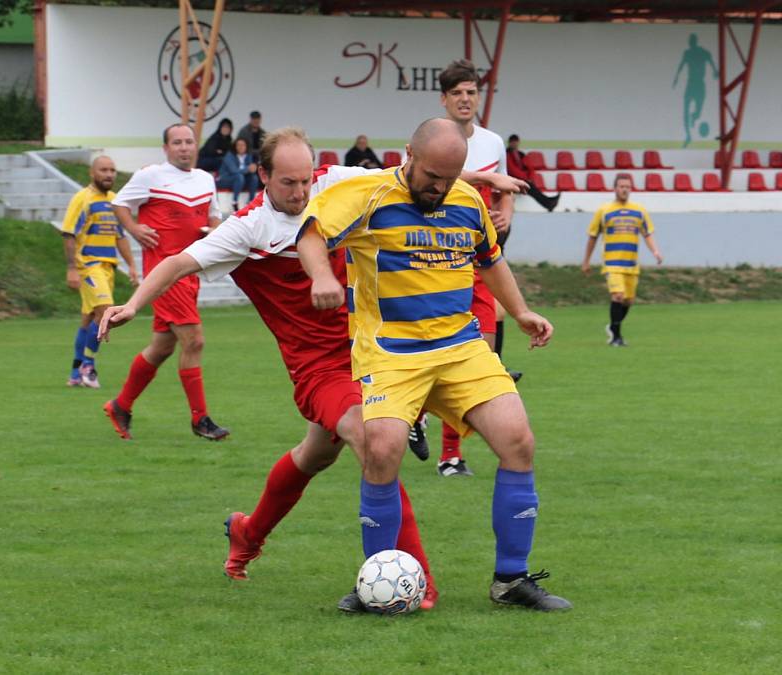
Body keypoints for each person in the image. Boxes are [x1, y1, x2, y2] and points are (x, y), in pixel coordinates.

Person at [98, 127, 439, 610]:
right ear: (262, 175)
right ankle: (418, 580)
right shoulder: (247, 228)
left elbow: (411, 174)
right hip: (318, 367)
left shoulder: (332, 182)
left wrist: (474, 177)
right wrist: (132, 306)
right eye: (288, 183)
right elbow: (175, 264)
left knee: (317, 454)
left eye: (305, 180)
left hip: (374, 350)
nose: (301, 192)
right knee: (373, 442)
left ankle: (247, 532)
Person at [297, 117, 571, 611]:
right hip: (392, 352)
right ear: (408, 154)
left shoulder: (467, 202)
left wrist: (522, 310)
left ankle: (511, 581)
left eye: (450, 178)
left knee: (518, 439)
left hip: (460, 348)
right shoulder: (368, 195)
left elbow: (490, 261)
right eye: (431, 177)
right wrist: (321, 275)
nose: (440, 188)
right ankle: (375, 583)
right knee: (382, 450)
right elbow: (312, 235)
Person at [431, 58, 527, 477]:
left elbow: (506, 190)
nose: (466, 99)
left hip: (478, 257)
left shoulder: (492, 142)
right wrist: (490, 184)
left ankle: (451, 455)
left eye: (471, 92)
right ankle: (413, 414)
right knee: (434, 353)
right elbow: (428, 178)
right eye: (458, 93)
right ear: (444, 99)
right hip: (434, 259)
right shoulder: (429, 138)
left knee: (483, 354)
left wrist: (505, 212)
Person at [104, 123, 229, 441]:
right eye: (177, 142)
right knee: (195, 341)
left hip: (190, 273)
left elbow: (213, 215)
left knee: (161, 347)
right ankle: (200, 419)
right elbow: (120, 203)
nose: (184, 147)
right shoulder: (151, 176)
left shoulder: (204, 179)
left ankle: (121, 405)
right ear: (166, 148)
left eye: (189, 142)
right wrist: (133, 228)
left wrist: (214, 230)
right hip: (163, 274)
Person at [61, 155, 139, 388]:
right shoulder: (82, 199)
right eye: (103, 170)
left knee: (88, 318)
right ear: (92, 173)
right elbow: (68, 233)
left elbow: (120, 236)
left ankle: (75, 373)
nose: (109, 174)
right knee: (105, 311)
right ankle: (88, 365)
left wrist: (132, 265)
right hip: (89, 266)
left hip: (108, 268)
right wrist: (72, 268)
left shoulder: (116, 201)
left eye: (112, 170)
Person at [582, 174, 663, 346]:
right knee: (617, 296)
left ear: (631, 189)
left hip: (631, 264)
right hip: (612, 263)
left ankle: (613, 327)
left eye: (627, 186)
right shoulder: (604, 211)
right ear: (615, 188)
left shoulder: (639, 211)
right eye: (621, 186)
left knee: (628, 301)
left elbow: (647, 233)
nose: (624, 189)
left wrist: (655, 251)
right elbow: (593, 237)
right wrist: (586, 261)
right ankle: (616, 337)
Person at [673, 34, 718, 147]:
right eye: (690, 41)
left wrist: (715, 71)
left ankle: (694, 117)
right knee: (685, 109)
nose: (690, 43)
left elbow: (711, 61)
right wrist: (676, 78)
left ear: (695, 41)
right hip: (691, 83)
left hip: (699, 84)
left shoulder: (703, 52)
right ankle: (688, 135)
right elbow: (681, 65)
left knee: (698, 111)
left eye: (692, 41)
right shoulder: (687, 53)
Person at [506, 134, 560, 212]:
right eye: (513, 142)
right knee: (531, 188)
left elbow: (530, 168)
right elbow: (512, 170)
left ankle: (549, 202)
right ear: (510, 143)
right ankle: (548, 202)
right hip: (513, 181)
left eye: (516, 142)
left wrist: (530, 178)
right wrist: (526, 178)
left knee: (531, 187)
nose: (514, 144)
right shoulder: (507, 154)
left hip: (523, 180)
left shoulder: (521, 154)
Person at [217, 137, 259, 211]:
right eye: (238, 145)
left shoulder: (248, 155)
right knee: (239, 176)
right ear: (235, 146)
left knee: (254, 178)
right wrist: (248, 168)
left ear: (246, 146)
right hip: (225, 180)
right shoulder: (229, 156)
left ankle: (251, 201)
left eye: (243, 145)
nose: (241, 147)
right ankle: (235, 202)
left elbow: (250, 170)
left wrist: (253, 168)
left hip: (239, 181)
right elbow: (234, 171)